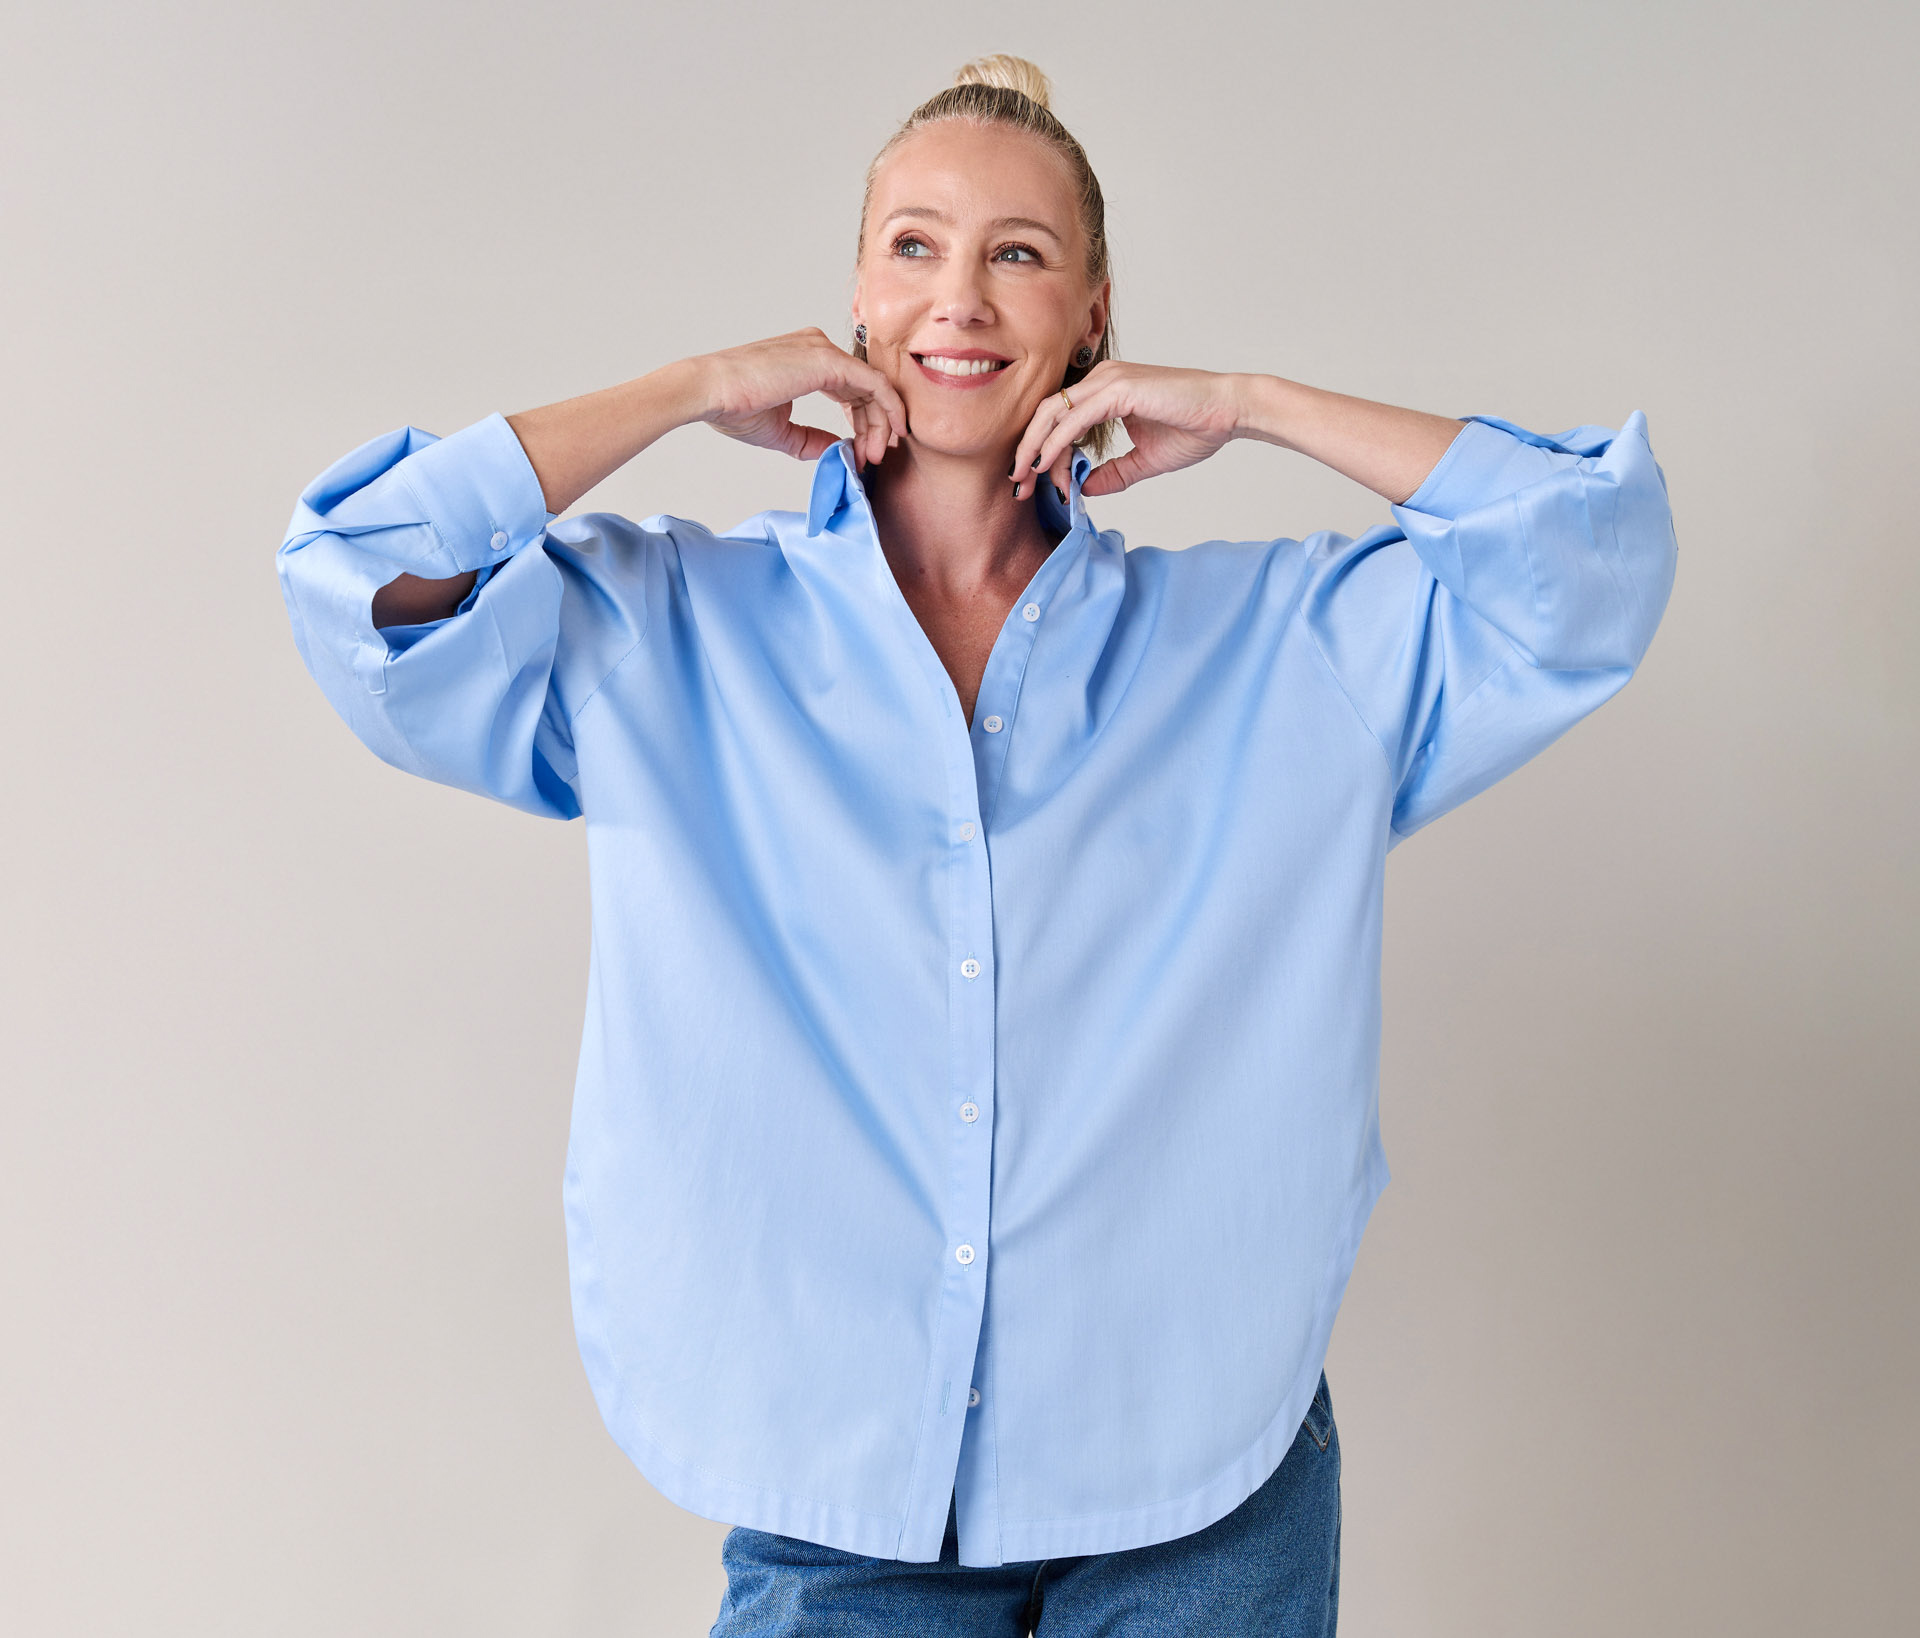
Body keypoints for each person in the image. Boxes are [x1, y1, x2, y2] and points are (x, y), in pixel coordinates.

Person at [276, 53, 1677, 1637]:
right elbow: (355, 581)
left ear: (1091, 316)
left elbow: (1594, 559)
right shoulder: (663, 625)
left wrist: (1256, 404)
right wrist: (686, 388)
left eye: (1019, 252)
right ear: (858, 300)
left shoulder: (1281, 645)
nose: (961, 296)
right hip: (841, 1491)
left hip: (1201, 1486)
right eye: (914, 246)